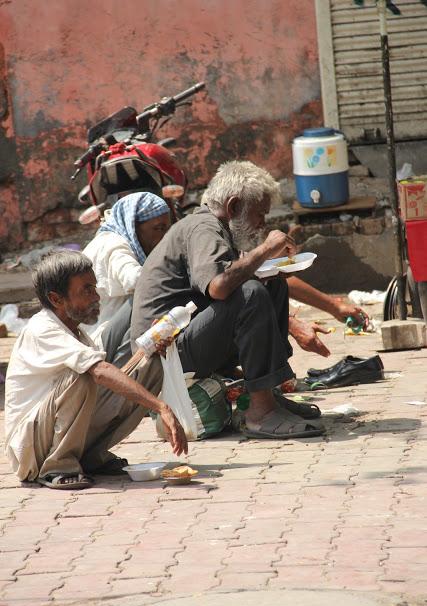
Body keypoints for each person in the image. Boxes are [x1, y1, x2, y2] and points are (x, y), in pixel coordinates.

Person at [130, 160, 326, 440]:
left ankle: (266, 394)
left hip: (185, 342)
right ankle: (260, 414)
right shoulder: (203, 227)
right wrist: (266, 248)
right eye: (259, 214)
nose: (261, 223)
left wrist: (265, 266)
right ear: (233, 206)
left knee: (272, 286)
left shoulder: (211, 227)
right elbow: (220, 288)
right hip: (164, 356)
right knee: (249, 294)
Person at [4, 250, 187, 490]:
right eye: (86, 290)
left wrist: (152, 345)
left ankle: (89, 457)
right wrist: (161, 407)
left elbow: (117, 372)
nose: (96, 297)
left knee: (151, 366)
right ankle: (57, 466)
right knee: (83, 375)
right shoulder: (41, 329)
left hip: (52, 432)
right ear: (56, 299)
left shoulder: (76, 332)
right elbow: (99, 371)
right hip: (30, 449)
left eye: (94, 288)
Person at [82, 191, 171, 346]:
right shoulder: (114, 245)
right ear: (133, 226)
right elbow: (134, 280)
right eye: (158, 228)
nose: (164, 237)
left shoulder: (109, 240)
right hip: (99, 341)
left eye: (166, 229)